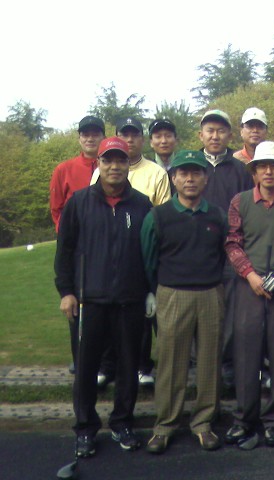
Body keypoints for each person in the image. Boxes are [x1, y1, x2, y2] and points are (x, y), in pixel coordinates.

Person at [54, 136, 153, 458]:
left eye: (120, 160)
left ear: (128, 164)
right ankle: (85, 428)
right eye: (108, 160)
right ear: (98, 163)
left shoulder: (142, 205)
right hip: (88, 301)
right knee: (86, 369)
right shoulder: (79, 202)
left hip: (129, 300)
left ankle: (122, 423)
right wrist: (66, 292)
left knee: (128, 366)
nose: (114, 166)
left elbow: (149, 253)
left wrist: (150, 291)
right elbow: (65, 251)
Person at [142, 150, 228, 454]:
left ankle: (203, 423)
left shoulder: (217, 215)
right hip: (173, 294)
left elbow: (223, 254)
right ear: (173, 178)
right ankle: (165, 425)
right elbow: (148, 259)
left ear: (205, 178)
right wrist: (153, 291)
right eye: (183, 173)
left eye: (196, 173)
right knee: (171, 362)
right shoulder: (158, 216)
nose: (189, 179)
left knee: (209, 361)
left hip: (210, 294)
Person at [224, 141, 274, 450]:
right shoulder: (240, 201)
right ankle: (244, 417)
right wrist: (250, 275)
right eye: (262, 166)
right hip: (249, 288)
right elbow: (233, 243)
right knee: (246, 354)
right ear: (255, 171)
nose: (268, 171)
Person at [90, 116, 171, 388]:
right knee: (106, 312)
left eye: (134, 134)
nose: (130, 139)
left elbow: (162, 213)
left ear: (142, 138)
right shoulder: (100, 170)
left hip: (141, 249)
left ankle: (142, 366)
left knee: (140, 314)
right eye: (125, 134)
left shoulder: (156, 172)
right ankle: (107, 365)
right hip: (107, 249)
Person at [199, 109, 254, 390]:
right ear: (201, 135)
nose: (215, 136)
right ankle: (204, 364)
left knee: (232, 310)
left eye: (221, 131)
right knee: (203, 309)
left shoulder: (240, 169)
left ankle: (228, 365)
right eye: (210, 130)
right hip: (199, 250)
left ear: (230, 135)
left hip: (232, 249)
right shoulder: (192, 165)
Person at [49, 115, 105, 374]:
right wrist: (69, 236)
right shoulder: (64, 169)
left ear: (103, 137)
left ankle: (107, 363)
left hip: (106, 243)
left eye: (95, 133)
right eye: (85, 134)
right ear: (79, 137)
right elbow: (57, 208)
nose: (90, 138)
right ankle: (81, 359)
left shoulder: (111, 164)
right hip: (77, 246)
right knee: (77, 304)